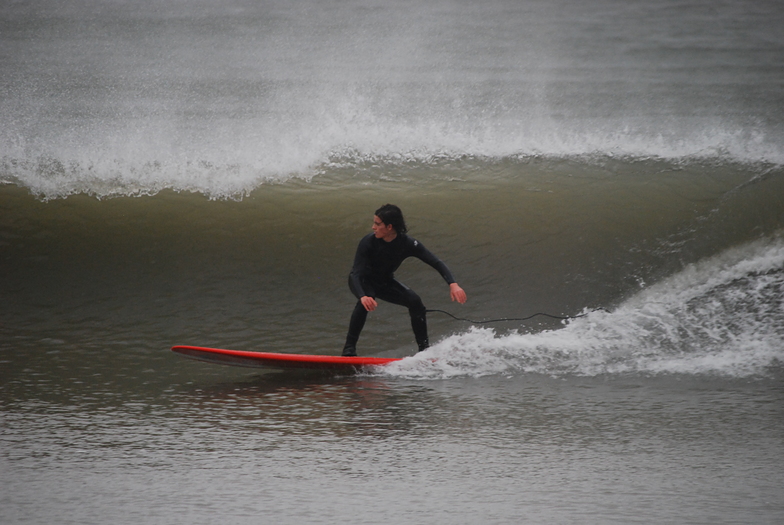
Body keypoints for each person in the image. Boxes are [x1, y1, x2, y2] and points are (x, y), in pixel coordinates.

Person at [342, 204, 467, 356]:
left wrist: (453, 284)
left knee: (415, 302)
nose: (373, 227)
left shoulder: (407, 243)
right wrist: (362, 296)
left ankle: (424, 351)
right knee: (367, 300)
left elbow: (436, 262)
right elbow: (356, 273)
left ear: (389, 227)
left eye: (377, 223)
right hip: (362, 281)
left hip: (385, 282)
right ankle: (349, 349)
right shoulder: (368, 242)